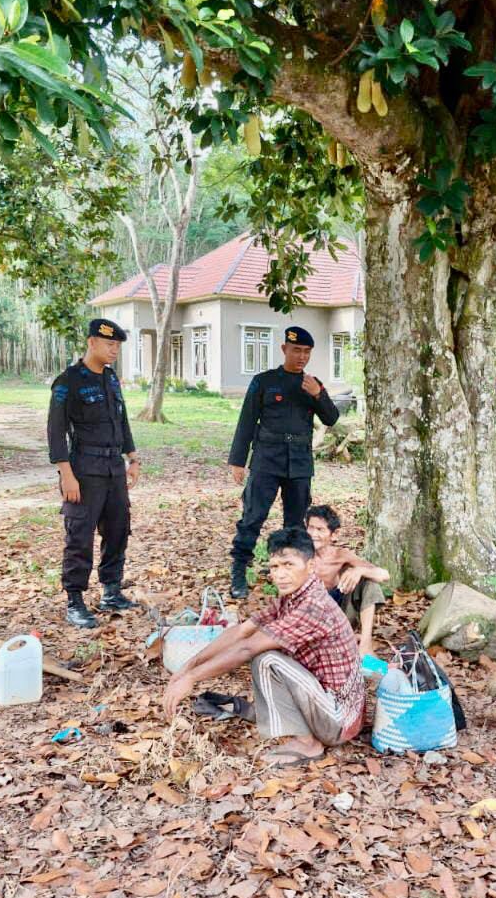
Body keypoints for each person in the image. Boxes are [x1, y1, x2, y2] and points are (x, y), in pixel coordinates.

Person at [163, 527, 364, 767]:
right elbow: (241, 631)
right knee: (266, 653)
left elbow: (248, 648)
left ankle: (309, 744)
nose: (280, 574)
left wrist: (193, 677)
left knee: (266, 658)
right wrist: (187, 667)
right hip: (328, 705)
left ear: (310, 566)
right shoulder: (292, 597)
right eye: (275, 567)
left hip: (340, 719)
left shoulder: (314, 605)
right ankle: (301, 732)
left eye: (289, 565)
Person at [227, 326, 339, 599]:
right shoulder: (264, 381)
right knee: (253, 516)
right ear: (284, 350)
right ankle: (239, 570)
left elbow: (332, 418)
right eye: (297, 350)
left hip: (299, 460)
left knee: (296, 521)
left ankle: (290, 572)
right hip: (267, 457)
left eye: (307, 352)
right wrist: (238, 461)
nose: (302, 357)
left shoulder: (312, 384)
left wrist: (318, 394)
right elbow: (246, 421)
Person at [47, 318, 143, 629]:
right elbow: (55, 431)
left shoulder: (111, 379)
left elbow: (122, 420)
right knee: (80, 535)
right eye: (109, 344)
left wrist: (133, 457)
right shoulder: (68, 382)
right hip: (84, 470)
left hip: (114, 468)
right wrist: (66, 474)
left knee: (117, 529)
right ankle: (74, 600)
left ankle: (111, 592)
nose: (114, 350)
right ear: (91, 342)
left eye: (117, 345)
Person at [304, 504, 389, 658]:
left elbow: (384, 575)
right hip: (313, 620)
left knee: (369, 582)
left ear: (334, 534)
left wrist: (360, 570)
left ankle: (365, 644)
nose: (313, 534)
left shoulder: (341, 555)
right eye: (311, 528)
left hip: (342, 615)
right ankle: (341, 642)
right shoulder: (300, 555)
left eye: (320, 530)